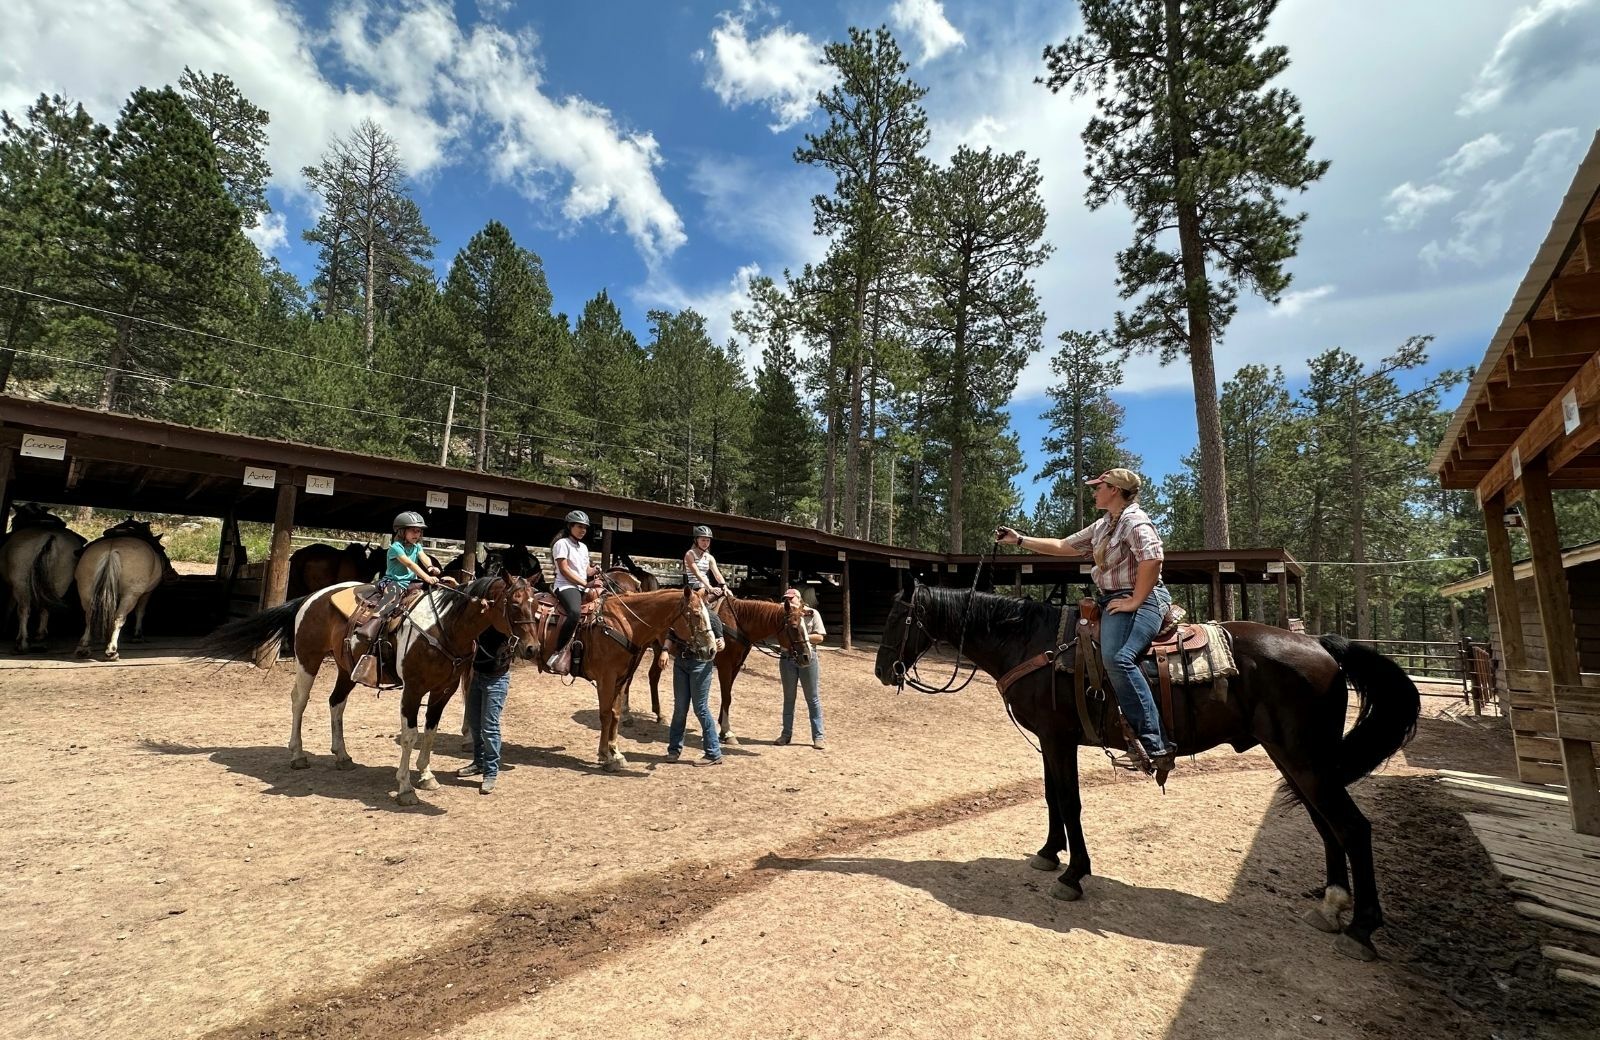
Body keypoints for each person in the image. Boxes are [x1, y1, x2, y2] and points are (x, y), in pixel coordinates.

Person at [995, 468, 1175, 777]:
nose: (1094, 492)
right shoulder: (1105, 525)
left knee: (1118, 658)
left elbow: (1153, 560)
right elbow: (1064, 546)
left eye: (1099, 487)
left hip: (1144, 599)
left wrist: (1134, 600)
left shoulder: (1135, 521)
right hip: (1112, 597)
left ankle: (1155, 743)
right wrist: (1020, 540)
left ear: (1115, 490)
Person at [349, 511, 441, 656]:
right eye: (412, 530)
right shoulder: (395, 548)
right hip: (392, 582)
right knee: (391, 597)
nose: (416, 534)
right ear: (401, 531)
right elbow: (410, 564)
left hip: (410, 583)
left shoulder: (417, 547)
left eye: (419, 531)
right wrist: (426, 577)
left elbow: (423, 557)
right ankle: (370, 626)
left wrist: (430, 567)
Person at [457, 621, 514, 794]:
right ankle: (478, 763)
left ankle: (490, 773)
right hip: (478, 676)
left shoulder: (504, 623)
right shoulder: (481, 618)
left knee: (490, 728)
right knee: (474, 723)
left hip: (497, 680)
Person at [666, 613, 723, 767]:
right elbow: (670, 635)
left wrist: (719, 644)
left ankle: (713, 752)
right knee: (679, 708)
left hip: (701, 664)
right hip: (681, 662)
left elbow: (721, 641)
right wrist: (665, 650)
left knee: (701, 708)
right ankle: (674, 749)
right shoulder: (680, 617)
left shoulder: (711, 618)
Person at [548, 510, 600, 674]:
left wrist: (594, 571)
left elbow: (585, 569)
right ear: (570, 526)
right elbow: (564, 570)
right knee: (574, 612)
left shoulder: (583, 547)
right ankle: (558, 651)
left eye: (585, 527)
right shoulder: (562, 544)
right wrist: (585, 583)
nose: (583, 530)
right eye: (579, 526)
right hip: (565, 586)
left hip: (580, 585)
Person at [776, 587, 827, 750]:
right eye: (787, 599)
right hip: (787, 658)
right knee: (789, 698)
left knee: (812, 698)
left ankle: (818, 736)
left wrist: (801, 636)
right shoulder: (783, 616)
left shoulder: (812, 614)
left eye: (792, 598)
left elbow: (819, 637)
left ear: (799, 599)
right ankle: (786, 734)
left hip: (808, 658)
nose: (789, 601)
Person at [683, 524, 729, 640]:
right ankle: (718, 635)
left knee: (728, 597)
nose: (705, 543)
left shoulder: (709, 557)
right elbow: (697, 573)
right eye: (702, 540)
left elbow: (717, 574)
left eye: (708, 540)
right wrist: (710, 587)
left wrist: (724, 587)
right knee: (704, 610)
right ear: (696, 540)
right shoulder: (690, 554)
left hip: (706, 588)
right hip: (694, 587)